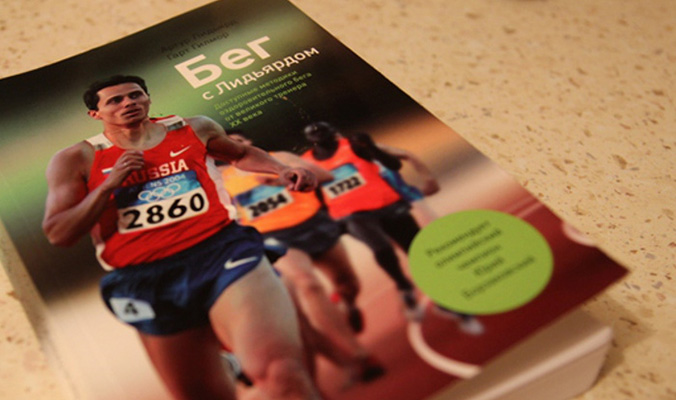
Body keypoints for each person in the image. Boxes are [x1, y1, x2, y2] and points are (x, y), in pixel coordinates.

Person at [42, 75, 322, 400]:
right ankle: (225, 364)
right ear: (96, 114)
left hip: (222, 250)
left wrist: (280, 169)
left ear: (148, 98)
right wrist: (109, 184)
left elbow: (240, 154)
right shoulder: (76, 159)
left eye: (135, 95)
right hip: (147, 278)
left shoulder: (193, 128)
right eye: (115, 100)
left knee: (281, 373)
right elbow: (60, 233)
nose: (128, 103)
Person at [220, 132, 384, 384]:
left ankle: (347, 304)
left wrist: (282, 180)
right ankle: (358, 354)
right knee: (308, 284)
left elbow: (326, 176)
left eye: (238, 141)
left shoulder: (279, 159)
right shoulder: (220, 178)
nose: (233, 146)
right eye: (227, 144)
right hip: (273, 236)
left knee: (347, 283)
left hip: (313, 224)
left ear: (248, 143)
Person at [301, 122, 483, 335]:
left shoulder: (355, 145)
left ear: (334, 133)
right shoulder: (305, 163)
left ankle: (447, 302)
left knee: (420, 252)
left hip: (388, 205)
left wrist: (372, 148)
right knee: (382, 249)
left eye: (328, 134)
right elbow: (313, 195)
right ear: (312, 142)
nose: (325, 140)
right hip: (353, 215)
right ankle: (403, 286)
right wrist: (328, 218)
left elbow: (396, 162)